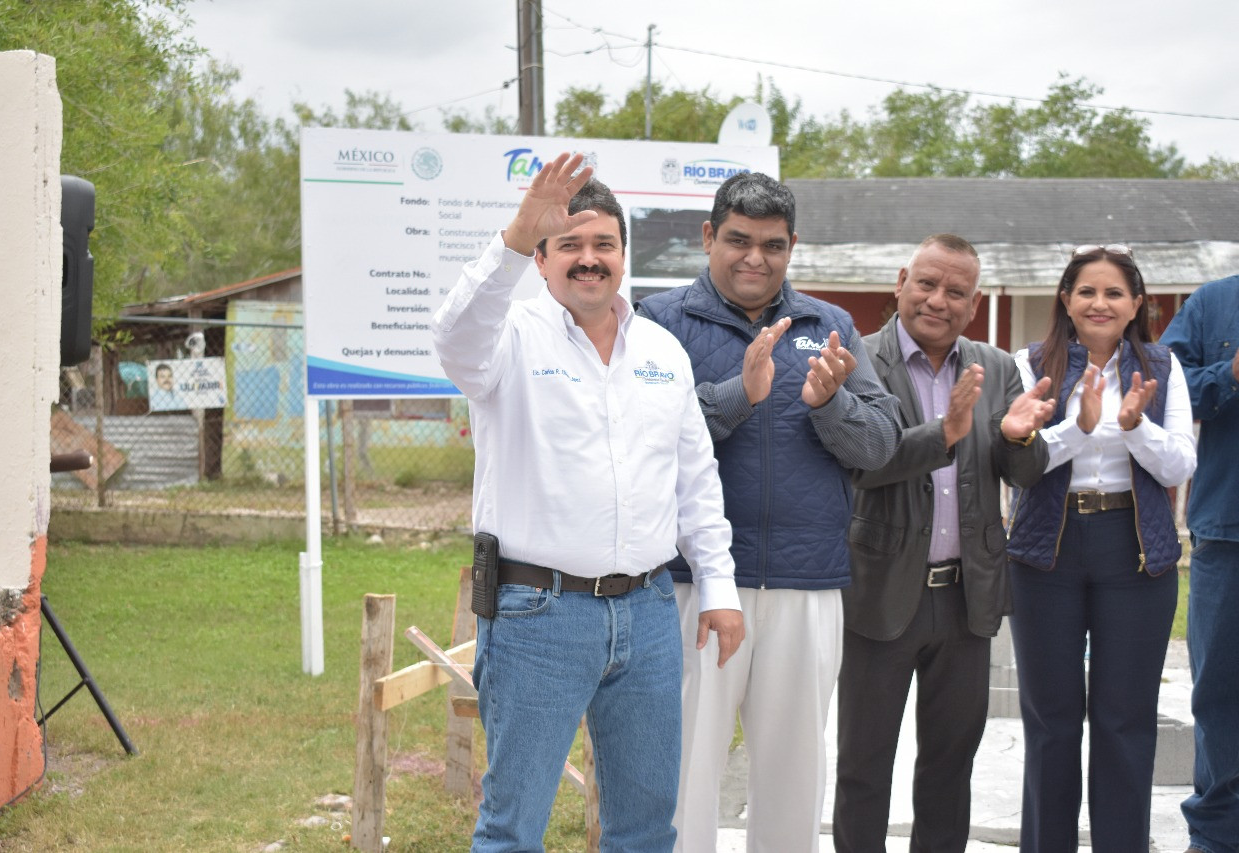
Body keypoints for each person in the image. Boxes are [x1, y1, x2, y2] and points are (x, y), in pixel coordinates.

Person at [432, 153, 743, 853]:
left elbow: (694, 480)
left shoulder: (662, 352)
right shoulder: (507, 341)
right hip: (537, 617)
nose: (589, 259)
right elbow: (453, 337)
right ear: (540, 261)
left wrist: (718, 586)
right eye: (568, 243)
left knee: (643, 827)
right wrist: (514, 233)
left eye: (603, 244)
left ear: (624, 257)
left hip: (649, 614)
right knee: (514, 827)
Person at [637, 171, 901, 852]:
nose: (755, 257)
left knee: (793, 771)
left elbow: (879, 443)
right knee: (686, 764)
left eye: (773, 245)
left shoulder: (830, 325)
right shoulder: (659, 322)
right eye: (738, 240)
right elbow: (638, 438)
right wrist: (738, 394)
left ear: (792, 247)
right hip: (692, 584)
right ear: (708, 237)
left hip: (805, 583)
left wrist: (829, 403)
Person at [833, 234, 1054, 852]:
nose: (938, 300)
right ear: (902, 281)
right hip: (881, 596)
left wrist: (1015, 438)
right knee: (863, 767)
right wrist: (946, 432)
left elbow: (1026, 475)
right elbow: (862, 463)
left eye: (956, 291)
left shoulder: (997, 367)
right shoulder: (861, 359)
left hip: (966, 600)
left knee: (951, 769)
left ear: (974, 301)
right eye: (927, 283)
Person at [1006, 244, 1197, 853]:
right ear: (1066, 299)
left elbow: (1180, 466)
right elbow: (1020, 466)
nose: (1099, 303)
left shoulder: (1163, 368)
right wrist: (1077, 427)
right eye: (1087, 291)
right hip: (1047, 551)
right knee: (1051, 722)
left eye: (1114, 292)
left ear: (1136, 304)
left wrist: (1135, 425)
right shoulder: (1029, 363)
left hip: (1134, 552)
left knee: (1124, 722)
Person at [1159, 273, 1239, 853]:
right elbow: (1164, 387)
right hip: (1227, 531)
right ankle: (1214, 839)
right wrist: (1232, 374)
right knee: (1219, 696)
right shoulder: (1213, 304)